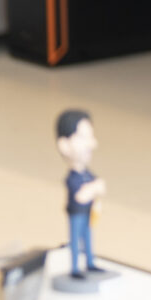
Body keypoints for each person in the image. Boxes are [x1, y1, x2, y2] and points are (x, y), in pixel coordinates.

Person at [55, 108, 109, 285]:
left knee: (88, 238)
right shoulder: (73, 178)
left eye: (90, 137)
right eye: (83, 137)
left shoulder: (87, 174)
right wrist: (94, 188)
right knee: (75, 240)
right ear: (64, 145)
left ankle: (90, 262)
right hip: (76, 214)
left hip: (87, 213)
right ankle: (75, 268)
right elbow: (80, 196)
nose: (92, 144)